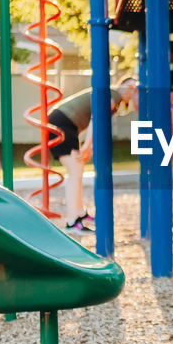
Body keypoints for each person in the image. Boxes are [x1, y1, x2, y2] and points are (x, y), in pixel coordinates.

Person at [47, 76, 137, 233]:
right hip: (61, 124)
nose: (131, 91)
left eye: (134, 89)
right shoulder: (112, 94)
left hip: (64, 124)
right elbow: (96, 119)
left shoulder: (114, 100)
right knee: (75, 172)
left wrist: (90, 147)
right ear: (120, 84)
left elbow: (99, 124)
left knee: (77, 171)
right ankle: (71, 222)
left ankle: (79, 214)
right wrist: (87, 147)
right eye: (128, 86)